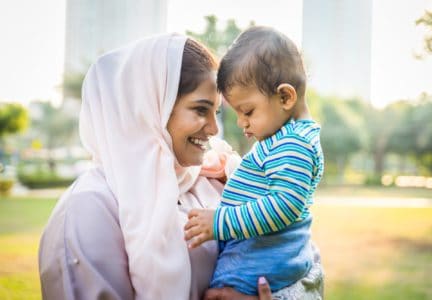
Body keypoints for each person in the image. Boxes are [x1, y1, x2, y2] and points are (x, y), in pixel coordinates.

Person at [39, 34, 275, 300]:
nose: (213, 129)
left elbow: (300, 258)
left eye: (216, 113)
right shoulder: (90, 208)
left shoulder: (213, 183)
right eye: (200, 110)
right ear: (149, 109)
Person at [185, 26, 325, 298]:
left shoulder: (294, 144)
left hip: (258, 269)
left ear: (285, 96)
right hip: (256, 264)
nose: (242, 123)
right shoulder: (282, 139)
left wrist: (219, 223)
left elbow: (283, 206)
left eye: (248, 111)